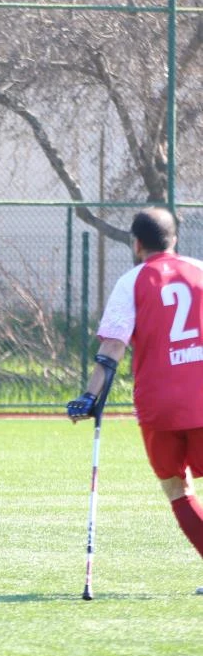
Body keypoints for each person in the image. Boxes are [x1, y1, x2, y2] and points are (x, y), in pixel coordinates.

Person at [67, 207, 203, 593]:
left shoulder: (132, 281)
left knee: (178, 490)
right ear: (174, 238)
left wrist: (90, 396)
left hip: (160, 407)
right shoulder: (200, 270)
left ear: (136, 243)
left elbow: (112, 347)